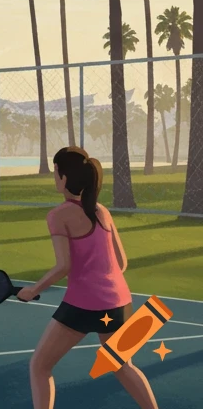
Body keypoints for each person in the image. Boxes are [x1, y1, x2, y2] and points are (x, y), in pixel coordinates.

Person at [16, 147, 157, 409]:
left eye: (55, 172)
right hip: (120, 302)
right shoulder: (102, 211)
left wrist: (33, 290)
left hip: (82, 306)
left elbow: (63, 266)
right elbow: (121, 263)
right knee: (123, 365)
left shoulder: (58, 215)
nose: (55, 178)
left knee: (40, 366)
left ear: (64, 178)